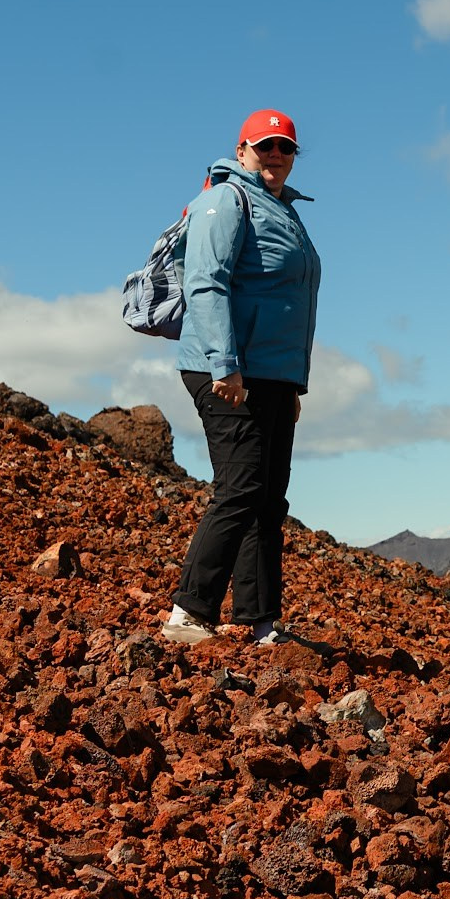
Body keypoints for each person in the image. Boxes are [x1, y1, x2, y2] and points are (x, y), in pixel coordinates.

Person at [160, 108, 322, 646]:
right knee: (240, 489)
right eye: (265, 145)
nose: (276, 154)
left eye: (286, 147)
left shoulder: (284, 211)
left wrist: (293, 385)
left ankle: (261, 622)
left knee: (269, 500)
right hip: (226, 370)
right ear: (242, 150)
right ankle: (188, 613)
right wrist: (224, 364)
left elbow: (291, 303)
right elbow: (206, 282)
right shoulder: (226, 200)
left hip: (273, 375)